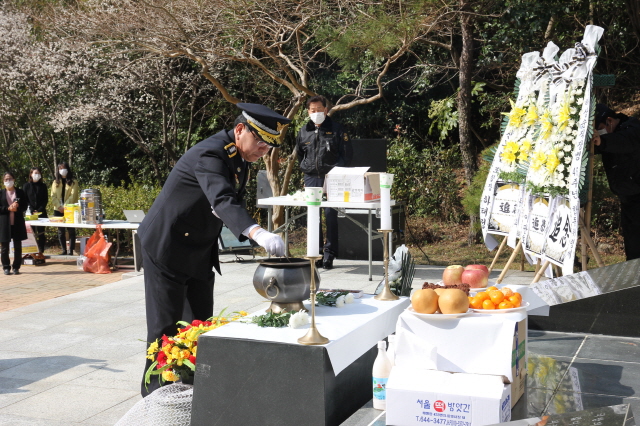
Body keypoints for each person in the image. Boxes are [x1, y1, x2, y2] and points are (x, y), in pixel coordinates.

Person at [137, 103, 289, 397]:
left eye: (268, 145)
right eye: (260, 141)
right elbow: (221, 200)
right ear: (240, 129)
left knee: (200, 325)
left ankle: (192, 388)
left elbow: (224, 203)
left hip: (197, 248)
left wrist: (247, 227)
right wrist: (256, 232)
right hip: (166, 246)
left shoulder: (238, 156)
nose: (264, 150)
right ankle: (154, 398)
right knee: (164, 329)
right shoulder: (211, 153)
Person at [295, 95, 352, 269]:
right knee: (314, 216)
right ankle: (317, 253)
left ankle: (330, 253)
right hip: (311, 177)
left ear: (326, 110)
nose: (316, 113)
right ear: (308, 112)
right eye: (313, 110)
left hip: (332, 177)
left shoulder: (336, 129)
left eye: (319, 110)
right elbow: (300, 154)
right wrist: (306, 170)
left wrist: (336, 173)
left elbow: (347, 155)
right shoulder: (304, 130)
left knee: (330, 214)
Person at [593, 104, 640, 261]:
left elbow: (622, 142)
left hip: (637, 194)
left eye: (599, 128)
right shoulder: (610, 135)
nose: (599, 133)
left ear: (609, 121)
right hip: (627, 197)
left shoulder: (633, 128)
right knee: (633, 246)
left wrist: (601, 141)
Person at [1, 172, 28, 275]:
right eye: (6, 179)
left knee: (18, 246)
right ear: (3, 181)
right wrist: (7, 208)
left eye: (10, 179)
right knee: (4, 248)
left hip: (17, 223)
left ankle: (16, 267)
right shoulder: (1, 193)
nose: (8, 181)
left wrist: (18, 208)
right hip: (4, 224)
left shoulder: (20, 192)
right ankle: (6, 267)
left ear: (14, 179)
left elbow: (25, 206)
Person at [51, 162, 79, 255]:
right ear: (58, 170)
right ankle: (64, 250)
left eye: (64, 168)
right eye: (60, 168)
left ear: (68, 169)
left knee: (71, 230)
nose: (62, 170)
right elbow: (53, 196)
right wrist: (59, 206)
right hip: (58, 209)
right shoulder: (55, 182)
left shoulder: (74, 182)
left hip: (69, 209)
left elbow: (73, 195)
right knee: (60, 231)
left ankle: (71, 250)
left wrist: (65, 207)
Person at [22, 167, 49, 254]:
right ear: (31, 174)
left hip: (42, 213)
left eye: (38, 173)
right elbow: (25, 199)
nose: (37, 175)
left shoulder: (43, 186)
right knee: (31, 233)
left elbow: (45, 199)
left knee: (41, 233)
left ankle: (41, 251)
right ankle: (33, 251)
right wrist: (32, 209)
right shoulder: (26, 186)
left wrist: (40, 209)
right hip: (30, 213)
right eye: (35, 173)